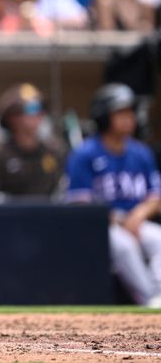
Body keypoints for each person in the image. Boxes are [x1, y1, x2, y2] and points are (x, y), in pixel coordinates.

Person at [65, 84, 161, 308]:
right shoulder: (85, 153)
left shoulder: (142, 152)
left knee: (159, 239)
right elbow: (79, 204)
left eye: (130, 112)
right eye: (120, 113)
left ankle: (159, 293)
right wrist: (120, 219)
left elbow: (156, 197)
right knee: (124, 244)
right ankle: (149, 300)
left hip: (136, 221)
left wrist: (138, 215)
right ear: (104, 116)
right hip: (102, 225)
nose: (129, 118)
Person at [0, 84, 64, 199]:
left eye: (41, 108)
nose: (39, 114)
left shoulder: (53, 151)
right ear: (12, 117)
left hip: (46, 215)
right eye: (32, 108)